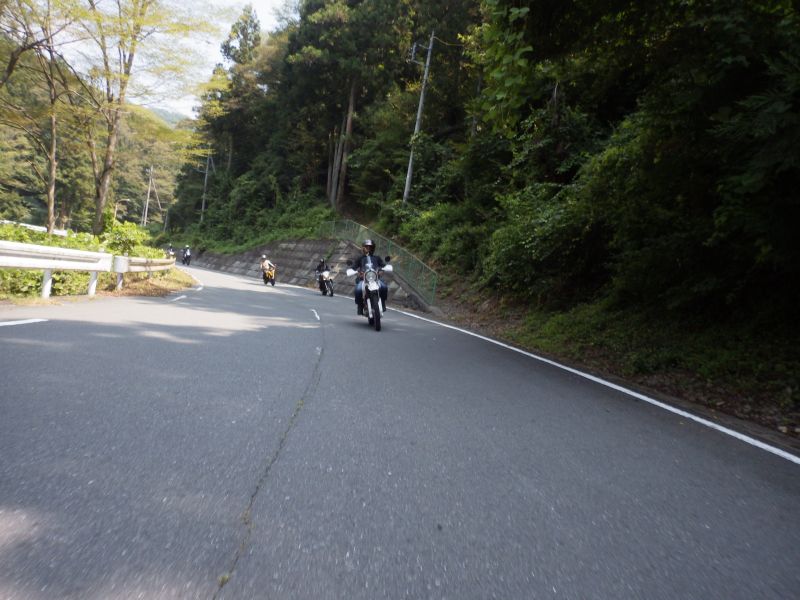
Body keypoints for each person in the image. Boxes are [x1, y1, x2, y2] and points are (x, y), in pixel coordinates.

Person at [351, 239, 388, 314]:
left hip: (375, 278)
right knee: (358, 290)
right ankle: (360, 306)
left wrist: (382, 270)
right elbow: (353, 267)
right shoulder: (360, 258)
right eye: (366, 247)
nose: (368, 248)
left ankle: (383, 303)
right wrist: (356, 272)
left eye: (370, 247)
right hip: (363, 279)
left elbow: (383, 266)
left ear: (373, 248)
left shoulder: (377, 258)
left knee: (384, 287)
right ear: (363, 248)